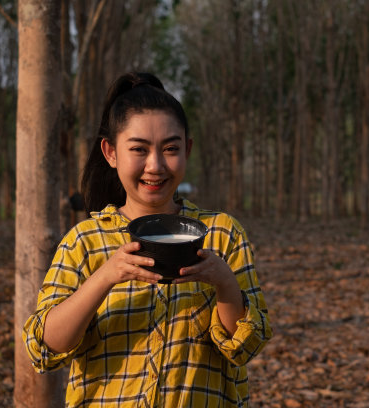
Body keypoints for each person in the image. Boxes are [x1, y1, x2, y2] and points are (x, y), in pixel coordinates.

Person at [22, 72, 273, 407]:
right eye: (139, 149)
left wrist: (225, 282)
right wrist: (107, 276)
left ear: (188, 149)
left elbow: (245, 346)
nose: (155, 166)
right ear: (111, 153)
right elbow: (44, 348)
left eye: (170, 148)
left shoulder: (223, 233)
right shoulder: (85, 240)